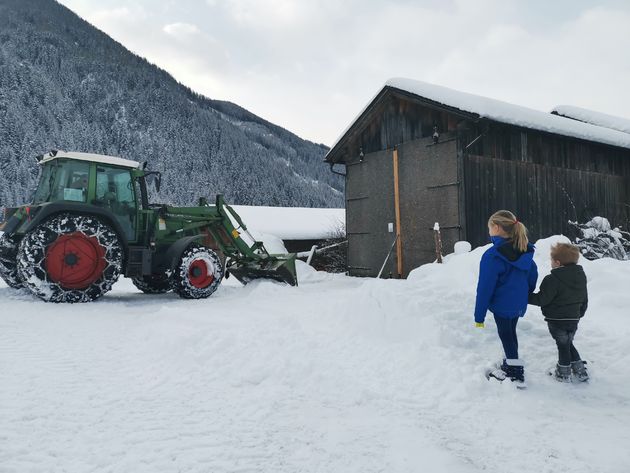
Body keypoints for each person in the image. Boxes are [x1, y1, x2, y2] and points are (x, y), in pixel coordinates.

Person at [474, 210, 538, 384]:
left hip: (502, 306)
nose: (488, 231)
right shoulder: (524, 249)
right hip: (518, 304)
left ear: (496, 227)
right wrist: (524, 295)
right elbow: (532, 276)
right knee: (510, 333)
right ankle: (512, 363)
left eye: (489, 228)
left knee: (506, 335)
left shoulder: (493, 255)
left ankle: (516, 373)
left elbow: (485, 288)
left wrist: (479, 316)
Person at [529, 243, 589, 382]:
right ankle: (579, 370)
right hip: (574, 319)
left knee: (563, 345)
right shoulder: (580, 276)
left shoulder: (552, 279)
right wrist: (580, 313)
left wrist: (524, 296)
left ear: (557, 262)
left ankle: (563, 372)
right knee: (568, 343)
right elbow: (584, 297)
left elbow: (542, 299)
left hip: (556, 320)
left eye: (551, 260)